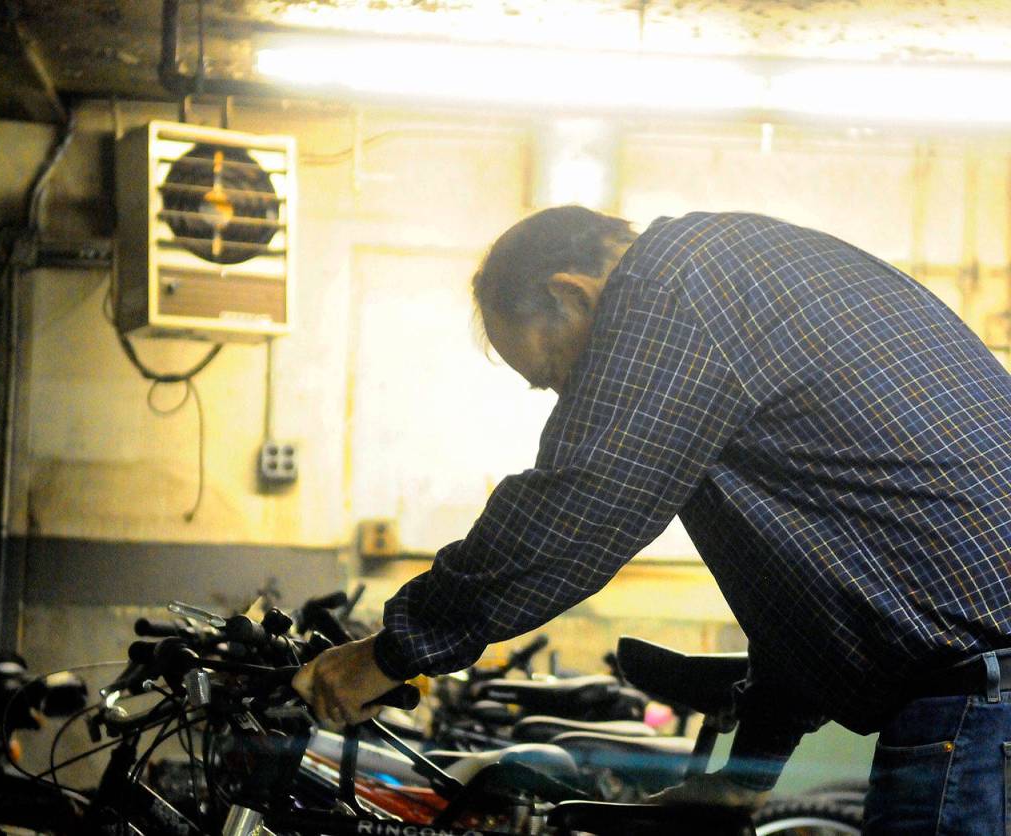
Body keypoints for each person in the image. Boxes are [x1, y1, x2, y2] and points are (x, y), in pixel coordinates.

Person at [294, 207, 1011, 832]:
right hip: (982, 683)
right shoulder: (732, 269)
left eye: (560, 377)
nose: (570, 403)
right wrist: (750, 773)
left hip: (981, 692)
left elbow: (576, 504)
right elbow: (815, 587)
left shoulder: (668, 292)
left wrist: (388, 653)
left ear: (570, 293)